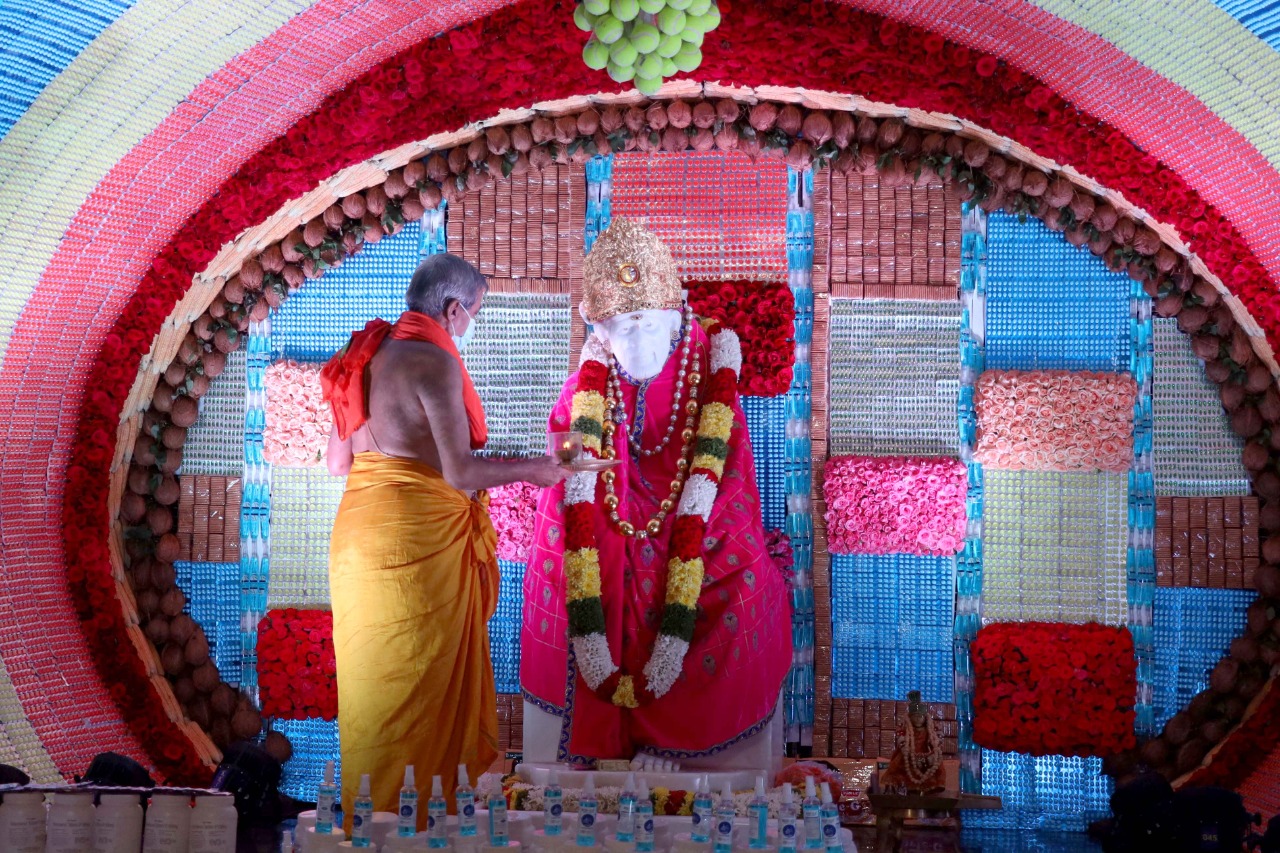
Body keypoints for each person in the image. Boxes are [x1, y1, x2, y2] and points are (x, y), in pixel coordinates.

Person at [520, 218, 792, 768]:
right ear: (596, 326)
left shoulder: (712, 384)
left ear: (673, 319)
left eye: (645, 322)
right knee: (556, 570)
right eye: (620, 325)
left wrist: (677, 541)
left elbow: (731, 493)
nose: (635, 338)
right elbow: (570, 482)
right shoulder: (582, 391)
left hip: (697, 544)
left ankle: (680, 742)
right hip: (608, 538)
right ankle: (596, 744)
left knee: (741, 581)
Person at [321, 253, 565, 829]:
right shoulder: (434, 364)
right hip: (415, 541)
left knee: (373, 690)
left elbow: (337, 463)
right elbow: (459, 473)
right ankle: (418, 827)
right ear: (454, 310)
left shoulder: (360, 356)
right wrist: (536, 468)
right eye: (472, 313)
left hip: (359, 536)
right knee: (421, 687)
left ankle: (367, 825)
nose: (469, 324)